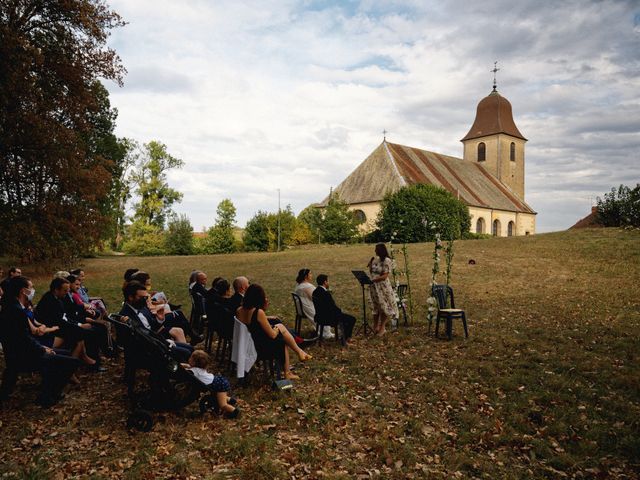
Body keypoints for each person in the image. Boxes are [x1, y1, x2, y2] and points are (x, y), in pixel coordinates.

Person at [0, 276, 79, 407]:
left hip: (22, 352)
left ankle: (49, 390)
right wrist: (43, 348)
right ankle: (47, 396)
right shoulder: (16, 311)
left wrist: (41, 346)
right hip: (23, 356)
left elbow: (24, 337)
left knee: (67, 354)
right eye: (31, 288)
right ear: (23, 291)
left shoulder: (14, 307)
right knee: (72, 361)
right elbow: (23, 339)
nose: (33, 290)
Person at [236, 284, 311, 380]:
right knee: (281, 338)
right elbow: (272, 335)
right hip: (260, 348)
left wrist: (268, 318)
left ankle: (300, 352)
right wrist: (276, 329)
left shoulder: (239, 310)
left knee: (280, 328)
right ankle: (288, 371)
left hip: (250, 343)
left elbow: (250, 321)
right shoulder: (258, 312)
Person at [119, 281, 193, 362]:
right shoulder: (125, 315)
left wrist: (160, 319)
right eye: (142, 297)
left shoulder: (141, 308)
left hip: (157, 342)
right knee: (186, 353)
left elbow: (152, 327)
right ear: (130, 297)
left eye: (146, 297)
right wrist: (163, 343)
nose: (145, 300)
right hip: (148, 349)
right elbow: (132, 340)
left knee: (190, 348)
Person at [181, 350, 239, 419]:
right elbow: (188, 366)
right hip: (217, 381)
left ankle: (235, 412)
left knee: (222, 405)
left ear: (194, 362)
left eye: (190, 357)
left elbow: (184, 372)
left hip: (218, 385)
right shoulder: (198, 369)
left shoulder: (194, 371)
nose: (189, 358)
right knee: (219, 397)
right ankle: (231, 400)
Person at [312, 274, 356, 344]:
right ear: (325, 282)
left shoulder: (315, 292)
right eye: (328, 281)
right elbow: (332, 308)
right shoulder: (326, 293)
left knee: (345, 317)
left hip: (319, 316)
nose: (328, 283)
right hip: (328, 318)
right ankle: (346, 338)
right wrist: (340, 311)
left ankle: (344, 337)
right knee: (351, 319)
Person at [367, 243, 398, 336]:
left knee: (383, 306)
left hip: (383, 287)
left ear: (381, 250)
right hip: (374, 287)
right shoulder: (376, 259)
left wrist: (374, 280)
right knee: (375, 306)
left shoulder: (387, 260)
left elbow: (385, 275)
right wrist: (370, 266)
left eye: (376, 249)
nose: (375, 251)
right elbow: (372, 272)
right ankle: (375, 326)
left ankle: (382, 328)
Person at [295, 268, 334, 339]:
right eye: (310, 274)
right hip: (308, 306)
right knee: (326, 310)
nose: (311, 275)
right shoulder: (306, 286)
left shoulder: (299, 285)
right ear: (306, 276)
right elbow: (314, 298)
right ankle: (325, 333)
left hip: (302, 307)